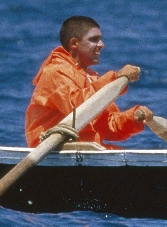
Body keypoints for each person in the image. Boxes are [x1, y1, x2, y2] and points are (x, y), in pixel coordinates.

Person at [25, 16, 153, 148]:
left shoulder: (91, 77)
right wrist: (114, 79)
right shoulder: (54, 72)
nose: (101, 45)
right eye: (94, 40)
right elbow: (78, 109)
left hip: (82, 149)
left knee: (120, 152)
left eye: (100, 39)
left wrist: (133, 118)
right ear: (74, 43)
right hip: (51, 149)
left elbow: (108, 126)